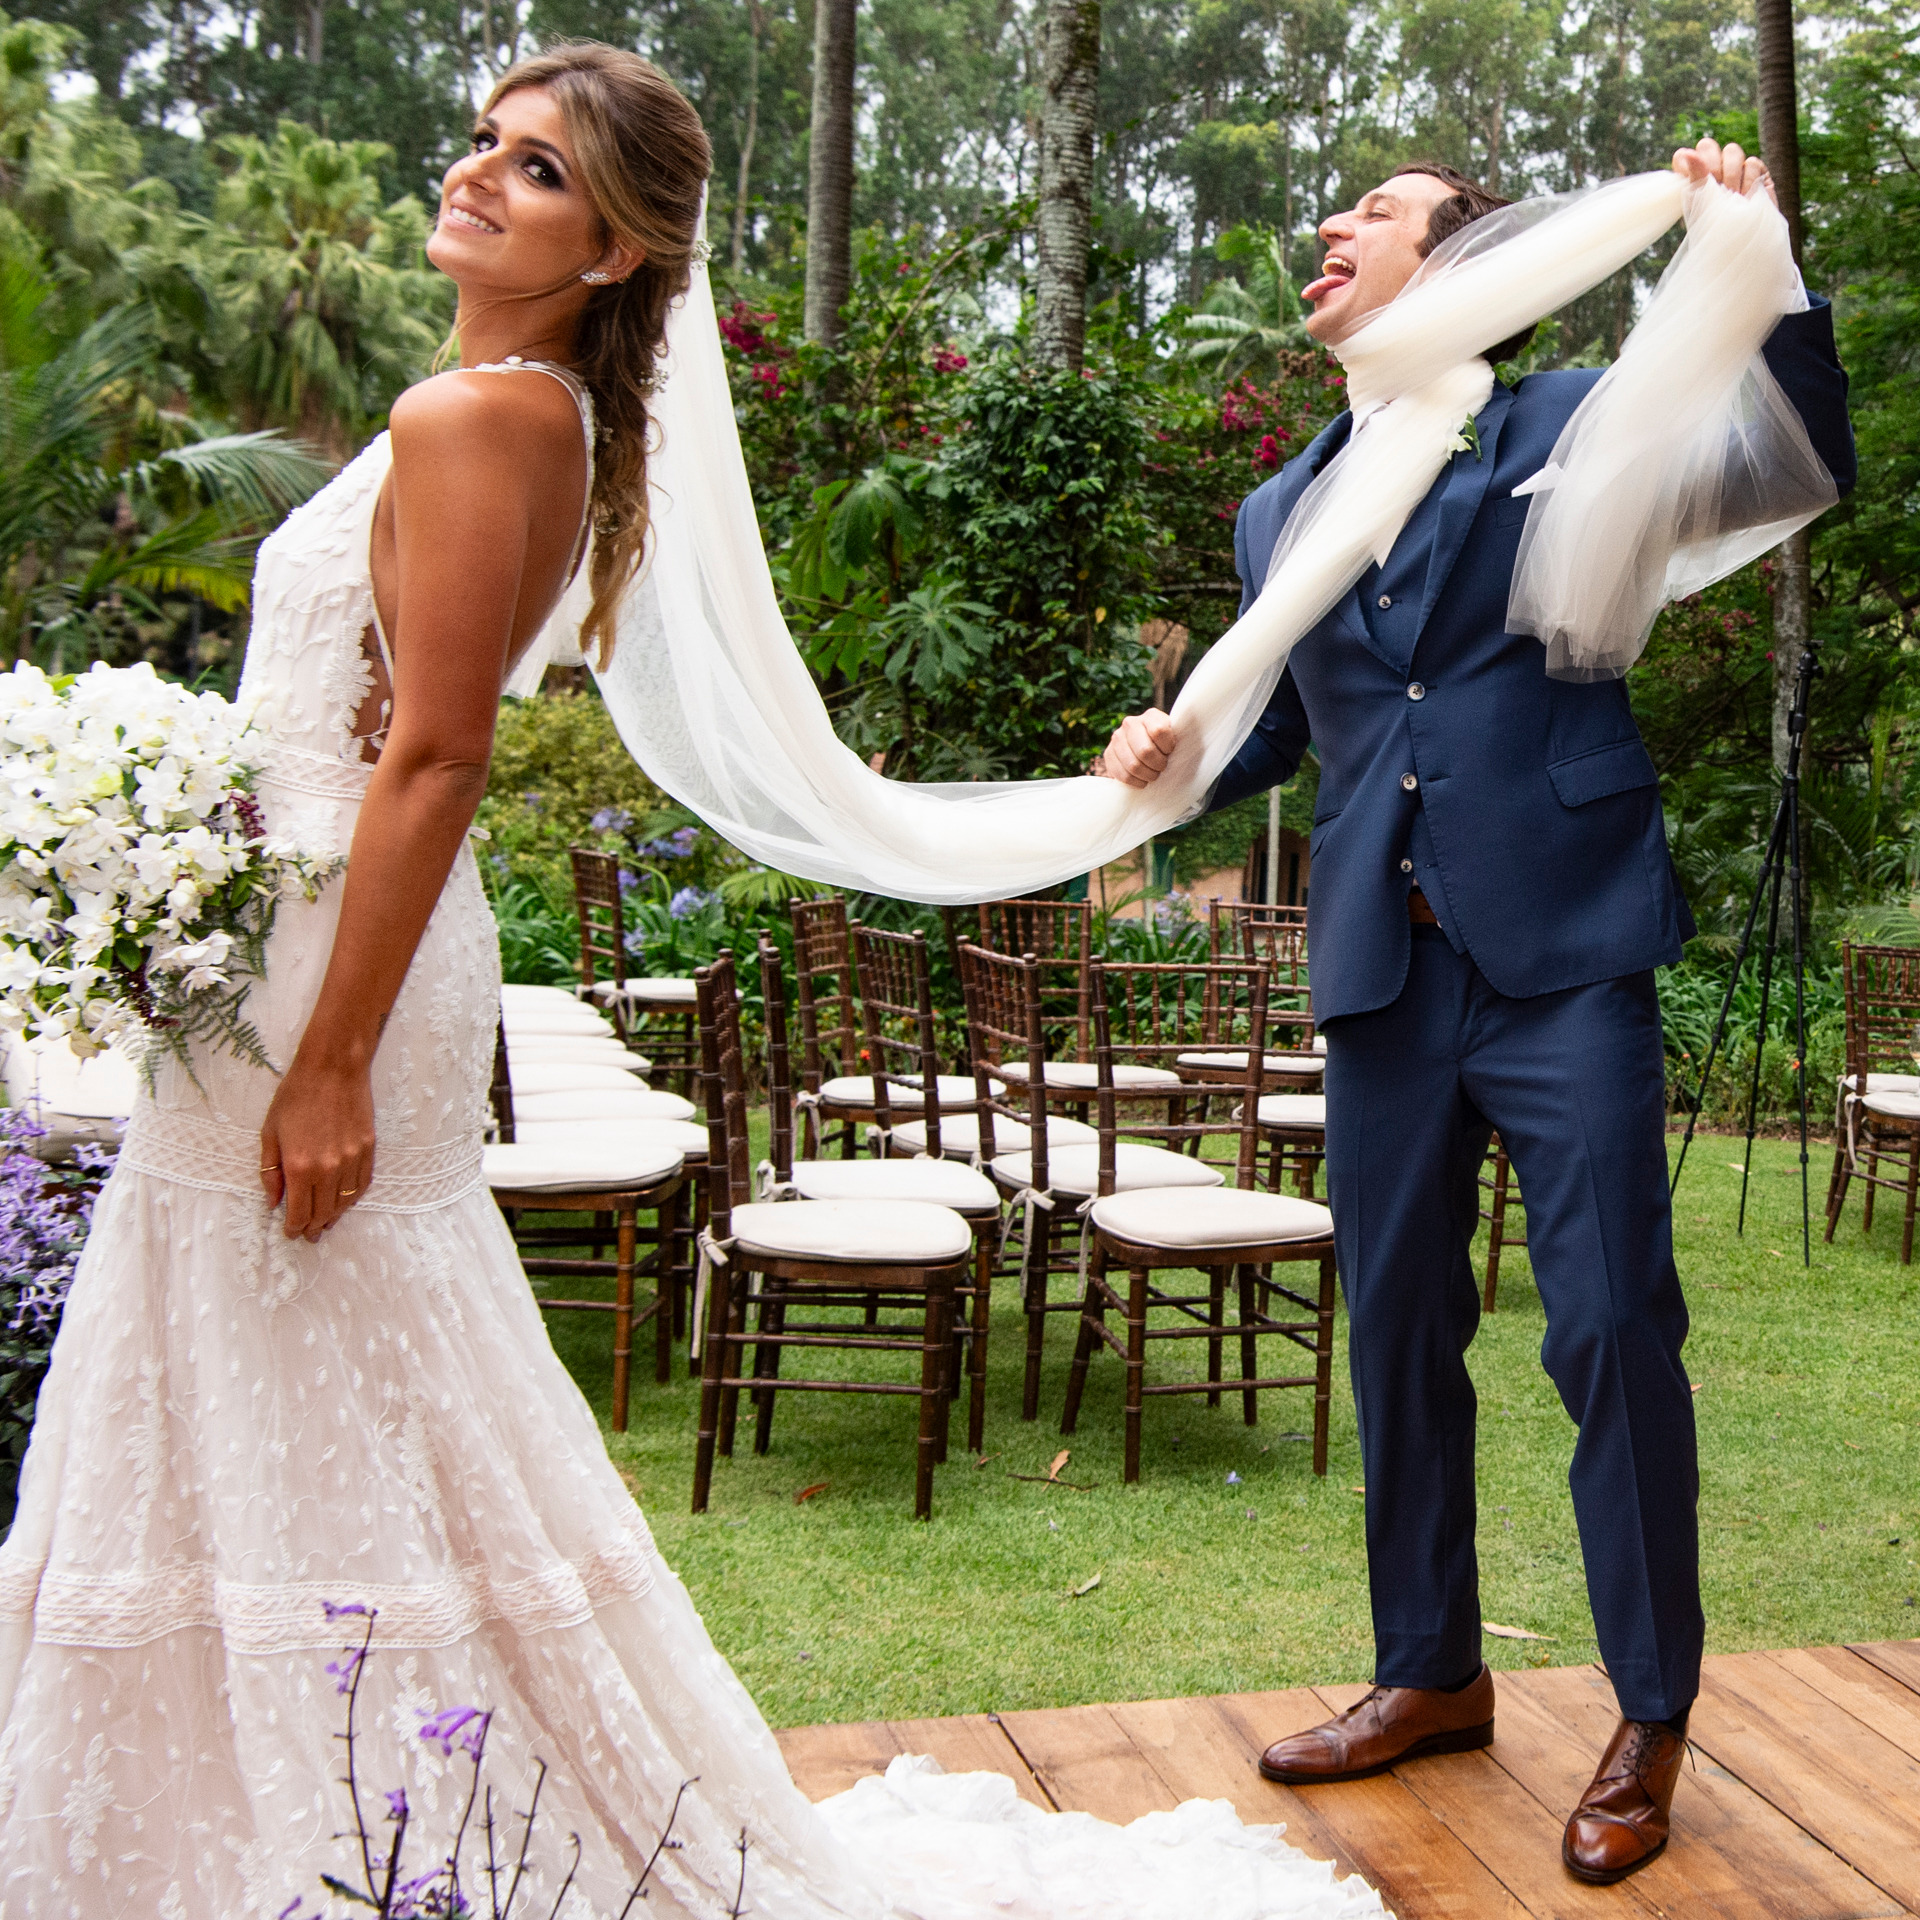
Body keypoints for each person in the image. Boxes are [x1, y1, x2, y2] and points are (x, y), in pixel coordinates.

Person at [0, 43, 1387, 1920]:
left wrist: (326, 1061)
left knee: (306, 1340)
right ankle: (272, 1798)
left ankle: (353, 1809)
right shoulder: (535, 414)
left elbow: (438, 754)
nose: (479, 174)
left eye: (540, 169)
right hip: (296, 934)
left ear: (617, 248)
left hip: (337, 973)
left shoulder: (475, 415)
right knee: (290, 1357)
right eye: (484, 142)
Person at [1098, 143, 1855, 1886]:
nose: (1332, 228)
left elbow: (1792, 458)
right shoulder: (1277, 509)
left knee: (1611, 1329)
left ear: (1467, 265)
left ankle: (1650, 1713)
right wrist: (1177, 751)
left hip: (1564, 949)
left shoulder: (1575, 422)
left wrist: (1761, 260)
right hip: (1381, 967)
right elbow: (1297, 722)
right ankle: (1430, 1671)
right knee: (1394, 1331)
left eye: (1374, 212)